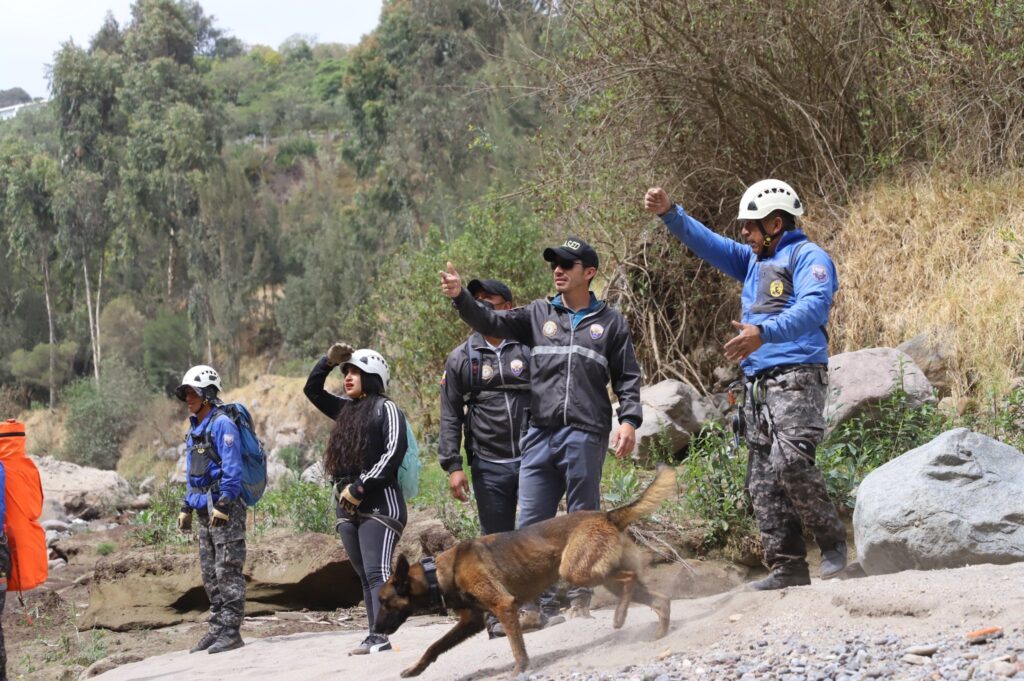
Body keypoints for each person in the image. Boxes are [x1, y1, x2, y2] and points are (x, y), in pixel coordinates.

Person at [645, 180, 847, 589]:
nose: (743, 234)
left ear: (775, 223)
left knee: (791, 461)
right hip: (755, 383)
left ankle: (833, 545)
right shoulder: (753, 259)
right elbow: (708, 243)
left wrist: (764, 333)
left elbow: (814, 306)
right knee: (761, 480)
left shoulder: (808, 256)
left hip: (797, 376)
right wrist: (671, 212)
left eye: (750, 226)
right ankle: (787, 567)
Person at [438, 237, 643, 620]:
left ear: (590, 273)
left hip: (585, 431)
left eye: (567, 264)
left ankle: (579, 601)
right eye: (554, 264)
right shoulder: (537, 315)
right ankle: (531, 608)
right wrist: (460, 298)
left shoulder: (611, 323)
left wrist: (629, 420)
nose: (558, 270)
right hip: (540, 434)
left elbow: (627, 377)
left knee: (582, 519)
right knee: (529, 526)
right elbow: (491, 321)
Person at [438, 278, 531, 638]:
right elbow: (450, 415)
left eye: (489, 303)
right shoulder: (461, 358)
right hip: (488, 464)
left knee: (535, 534)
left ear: (508, 307)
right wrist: (453, 466)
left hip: (533, 457)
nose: (482, 310)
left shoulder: (528, 346)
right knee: (495, 543)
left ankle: (541, 604)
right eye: (476, 303)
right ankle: (499, 615)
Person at [304, 344, 408, 654]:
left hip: (380, 503)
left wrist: (362, 486)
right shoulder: (344, 409)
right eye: (346, 371)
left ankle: (381, 635)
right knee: (365, 575)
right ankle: (375, 633)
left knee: (377, 571)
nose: (348, 377)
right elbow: (312, 390)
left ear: (373, 375)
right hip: (346, 504)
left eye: (355, 371)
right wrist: (326, 362)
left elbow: (393, 452)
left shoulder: (385, 408)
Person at [175, 365, 247, 653]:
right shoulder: (195, 429)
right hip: (204, 509)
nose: (187, 398)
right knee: (209, 572)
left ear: (207, 394)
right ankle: (216, 628)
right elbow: (193, 473)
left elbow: (232, 469)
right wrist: (185, 507)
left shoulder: (222, 424)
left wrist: (225, 503)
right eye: (185, 393)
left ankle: (231, 631)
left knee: (227, 569)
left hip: (223, 508)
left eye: (192, 392)